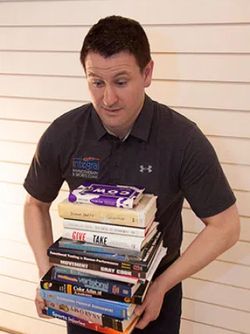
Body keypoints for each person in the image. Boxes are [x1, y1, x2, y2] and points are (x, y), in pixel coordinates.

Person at [23, 15, 240, 334]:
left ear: (147, 72)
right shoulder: (63, 133)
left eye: (121, 82)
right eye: (96, 82)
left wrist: (163, 285)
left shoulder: (184, 140)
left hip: (153, 298)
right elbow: (34, 205)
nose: (108, 99)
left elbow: (226, 226)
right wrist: (48, 275)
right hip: (83, 291)